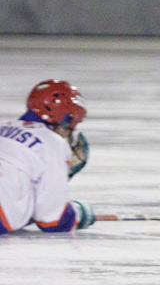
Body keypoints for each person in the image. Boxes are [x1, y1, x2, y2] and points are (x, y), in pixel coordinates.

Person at [0, 80, 95, 234]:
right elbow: (52, 220)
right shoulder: (52, 143)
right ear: (66, 118)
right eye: (72, 125)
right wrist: (78, 213)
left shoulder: (3, 126)